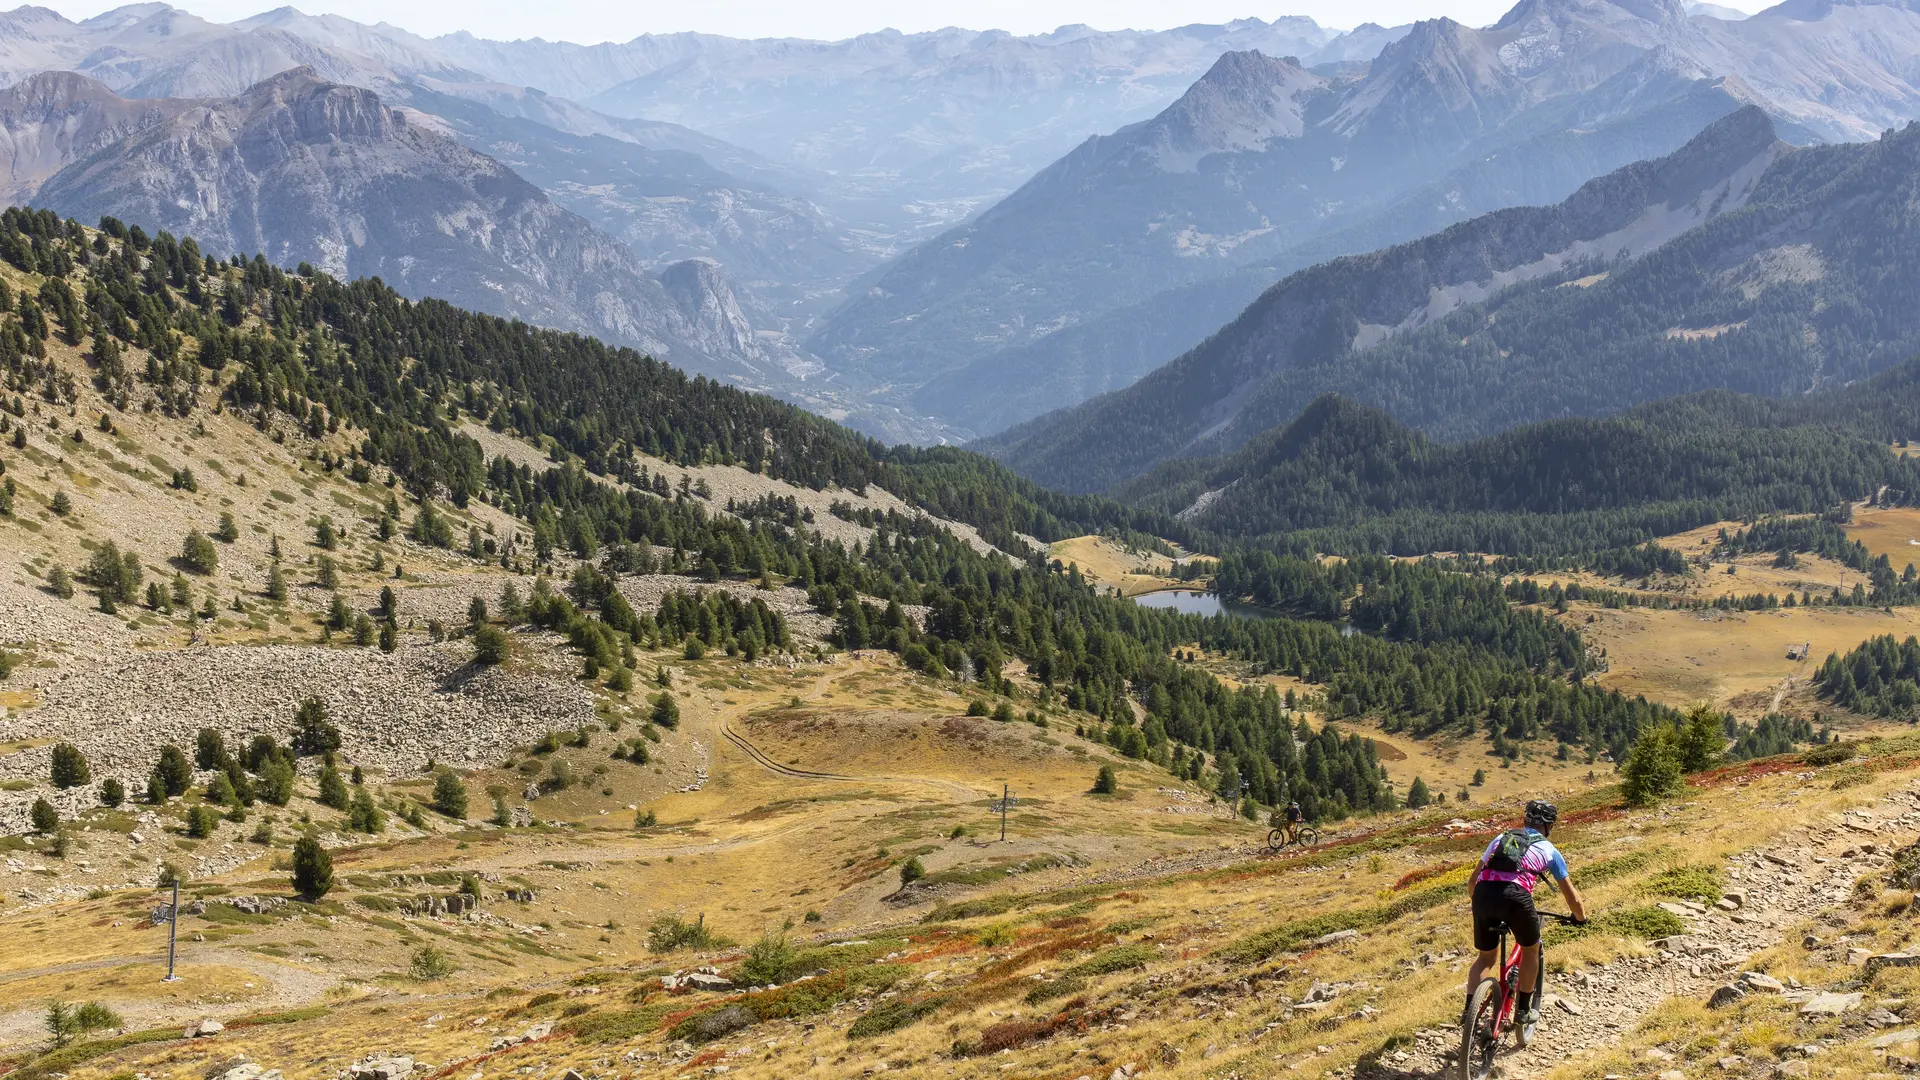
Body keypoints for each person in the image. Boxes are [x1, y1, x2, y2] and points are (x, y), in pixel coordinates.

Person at [1465, 800, 1587, 1045]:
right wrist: (1580, 918)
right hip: (1517, 898)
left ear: (1526, 819)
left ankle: (1469, 1014)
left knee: (1485, 958)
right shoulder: (1548, 849)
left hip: (1483, 894)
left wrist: (1485, 901)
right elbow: (1571, 896)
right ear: (1549, 825)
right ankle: (1522, 1011)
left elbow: (1471, 882)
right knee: (1531, 949)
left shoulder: (1500, 838)